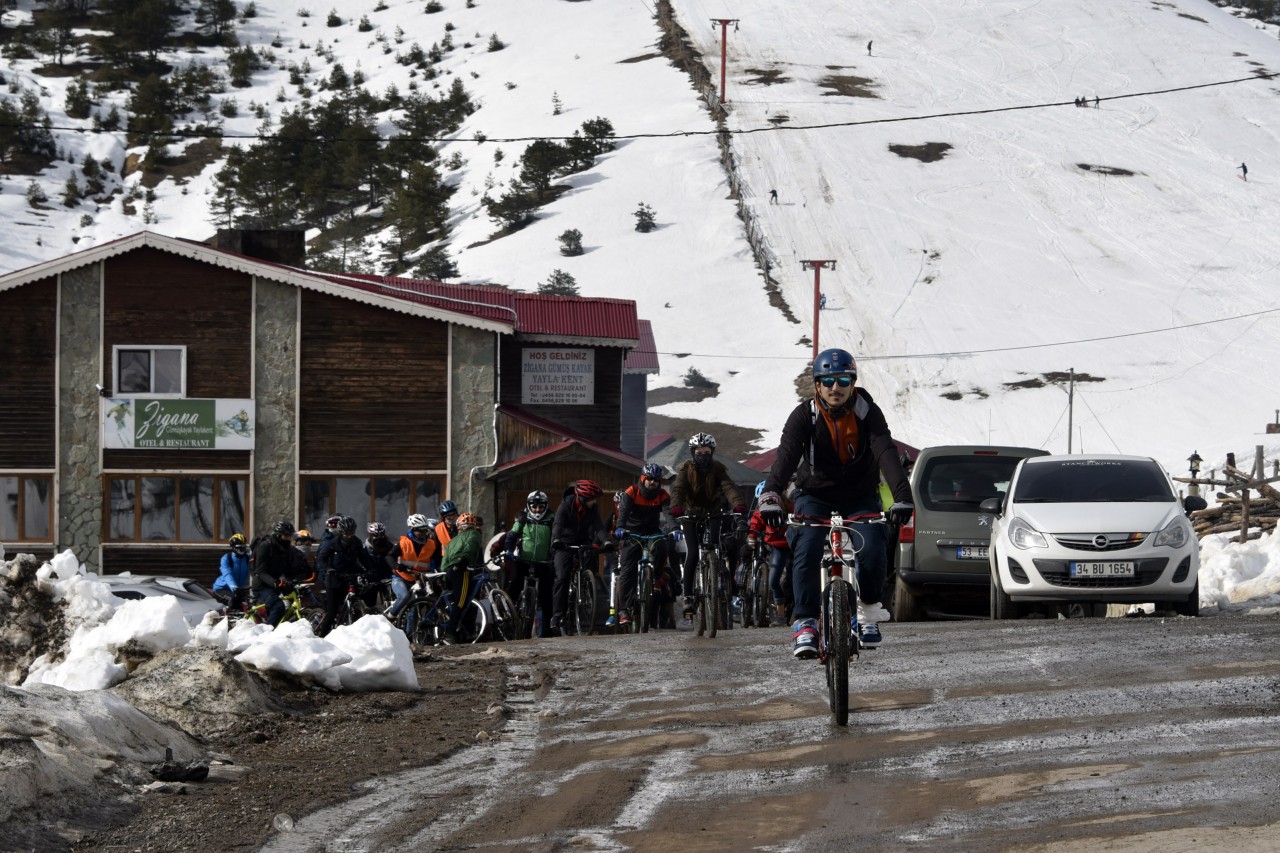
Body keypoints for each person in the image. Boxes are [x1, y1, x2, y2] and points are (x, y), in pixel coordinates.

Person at [758, 348, 914, 658]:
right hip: (814, 495)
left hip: (860, 495)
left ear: (853, 383)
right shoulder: (804, 415)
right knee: (807, 543)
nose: (835, 387)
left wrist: (903, 498)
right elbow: (787, 456)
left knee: (872, 544)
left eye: (843, 379)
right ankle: (805, 621)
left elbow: (886, 452)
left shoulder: (868, 411)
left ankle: (869, 611)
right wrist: (771, 495)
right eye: (827, 380)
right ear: (817, 385)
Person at [669, 432, 746, 620]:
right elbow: (678, 489)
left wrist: (738, 504)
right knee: (693, 553)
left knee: (714, 547)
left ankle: (717, 580)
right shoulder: (685, 470)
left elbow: (729, 487)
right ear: (693, 452)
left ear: (711, 452)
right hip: (691, 515)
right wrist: (676, 507)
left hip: (713, 512)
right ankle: (688, 596)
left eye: (706, 451)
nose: (702, 455)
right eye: (699, 452)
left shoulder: (718, 468)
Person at [613, 463, 676, 627]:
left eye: (656, 479)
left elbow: (668, 513)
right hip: (632, 532)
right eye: (649, 479)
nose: (652, 482)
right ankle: (625, 610)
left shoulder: (662, 495)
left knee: (663, 546)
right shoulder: (631, 492)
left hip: (652, 531)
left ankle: (655, 577)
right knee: (628, 569)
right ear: (642, 478)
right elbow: (623, 512)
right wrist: (620, 527)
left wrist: (675, 529)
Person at [550, 479, 610, 635]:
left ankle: (587, 589)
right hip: (564, 543)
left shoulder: (592, 509)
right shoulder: (565, 505)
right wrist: (556, 540)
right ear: (583, 498)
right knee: (562, 577)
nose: (595, 502)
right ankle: (558, 614)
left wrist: (607, 541)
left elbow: (598, 527)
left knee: (591, 562)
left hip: (583, 542)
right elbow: (557, 525)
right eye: (593, 499)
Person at [314, 516, 386, 637]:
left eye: (351, 533)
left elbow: (364, 558)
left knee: (358, 603)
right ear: (341, 532)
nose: (349, 536)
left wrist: (370, 570)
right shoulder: (332, 543)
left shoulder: (356, 542)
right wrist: (329, 569)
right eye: (347, 533)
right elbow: (321, 559)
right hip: (334, 579)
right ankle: (322, 638)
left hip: (350, 577)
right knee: (332, 612)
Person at [505, 490, 555, 637]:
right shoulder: (524, 518)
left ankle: (547, 632)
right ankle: (505, 617)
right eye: (534, 507)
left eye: (540, 507)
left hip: (544, 563)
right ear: (529, 506)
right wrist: (508, 549)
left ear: (545, 506)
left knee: (547, 598)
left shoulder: (552, 518)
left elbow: (557, 536)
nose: (537, 510)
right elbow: (512, 535)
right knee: (513, 586)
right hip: (523, 560)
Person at [746, 483, 791, 627]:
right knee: (774, 580)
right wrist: (752, 536)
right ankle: (781, 615)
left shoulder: (790, 507)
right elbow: (755, 523)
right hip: (776, 545)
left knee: (778, 580)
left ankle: (784, 615)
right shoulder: (762, 511)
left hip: (788, 546)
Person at [439, 512, 484, 644]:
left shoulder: (452, 540)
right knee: (461, 602)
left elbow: (444, 560)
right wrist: (463, 560)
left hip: (449, 571)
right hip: (462, 570)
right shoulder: (474, 534)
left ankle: (467, 632)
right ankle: (450, 634)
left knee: (460, 601)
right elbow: (470, 549)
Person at [252, 520, 301, 627]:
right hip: (262, 585)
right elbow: (260, 571)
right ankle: (267, 633)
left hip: (277, 583)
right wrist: (274, 582)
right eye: (286, 535)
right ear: (278, 535)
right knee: (278, 607)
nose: (288, 538)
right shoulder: (265, 547)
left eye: (290, 536)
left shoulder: (286, 548)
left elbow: (289, 568)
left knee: (294, 601)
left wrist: (295, 578)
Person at [392, 514, 438, 623]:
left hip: (418, 580)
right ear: (412, 529)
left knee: (413, 610)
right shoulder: (404, 542)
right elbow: (389, 556)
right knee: (404, 596)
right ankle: (389, 617)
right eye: (420, 530)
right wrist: (397, 566)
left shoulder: (431, 544)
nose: (424, 533)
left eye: (425, 530)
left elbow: (437, 560)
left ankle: (409, 638)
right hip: (401, 578)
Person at [212, 533, 251, 613]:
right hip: (221, 589)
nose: (242, 550)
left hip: (238, 589)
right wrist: (234, 587)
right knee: (233, 599)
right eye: (240, 548)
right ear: (234, 548)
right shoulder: (227, 558)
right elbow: (227, 574)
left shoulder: (247, 558)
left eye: (244, 548)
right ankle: (229, 622)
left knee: (246, 608)